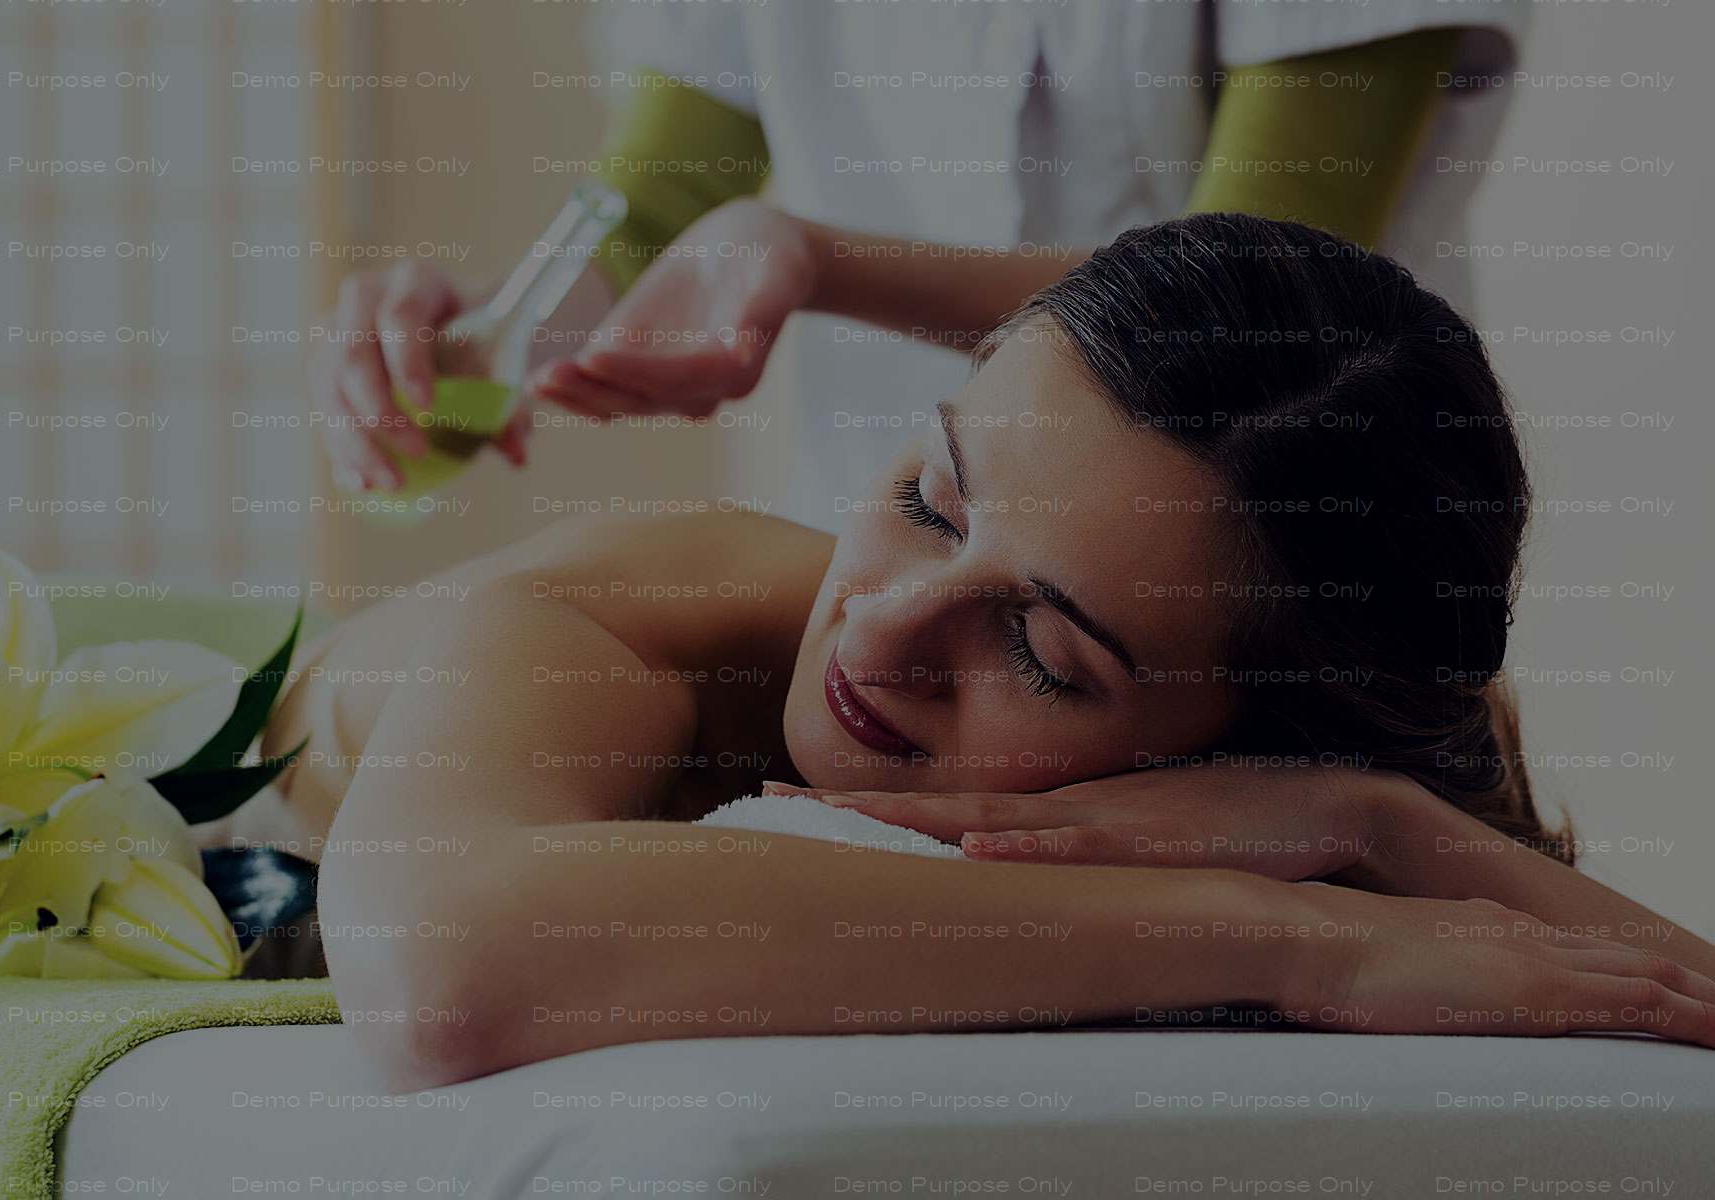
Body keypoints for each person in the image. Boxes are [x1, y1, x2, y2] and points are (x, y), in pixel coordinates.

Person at [255, 214, 1715, 1090]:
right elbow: (444, 968)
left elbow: (1673, 991)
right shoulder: (643, 613)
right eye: (926, 500)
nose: (883, 630)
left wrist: (1377, 822)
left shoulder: (1290, 782)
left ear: (1235, 753)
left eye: (1040, 649)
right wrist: (1298, 940)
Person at [316, 3, 1532, 531]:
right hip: (880, 574)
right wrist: (482, 336)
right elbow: (654, 209)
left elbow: (1245, 300)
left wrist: (818, 262)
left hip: (1260, 589)